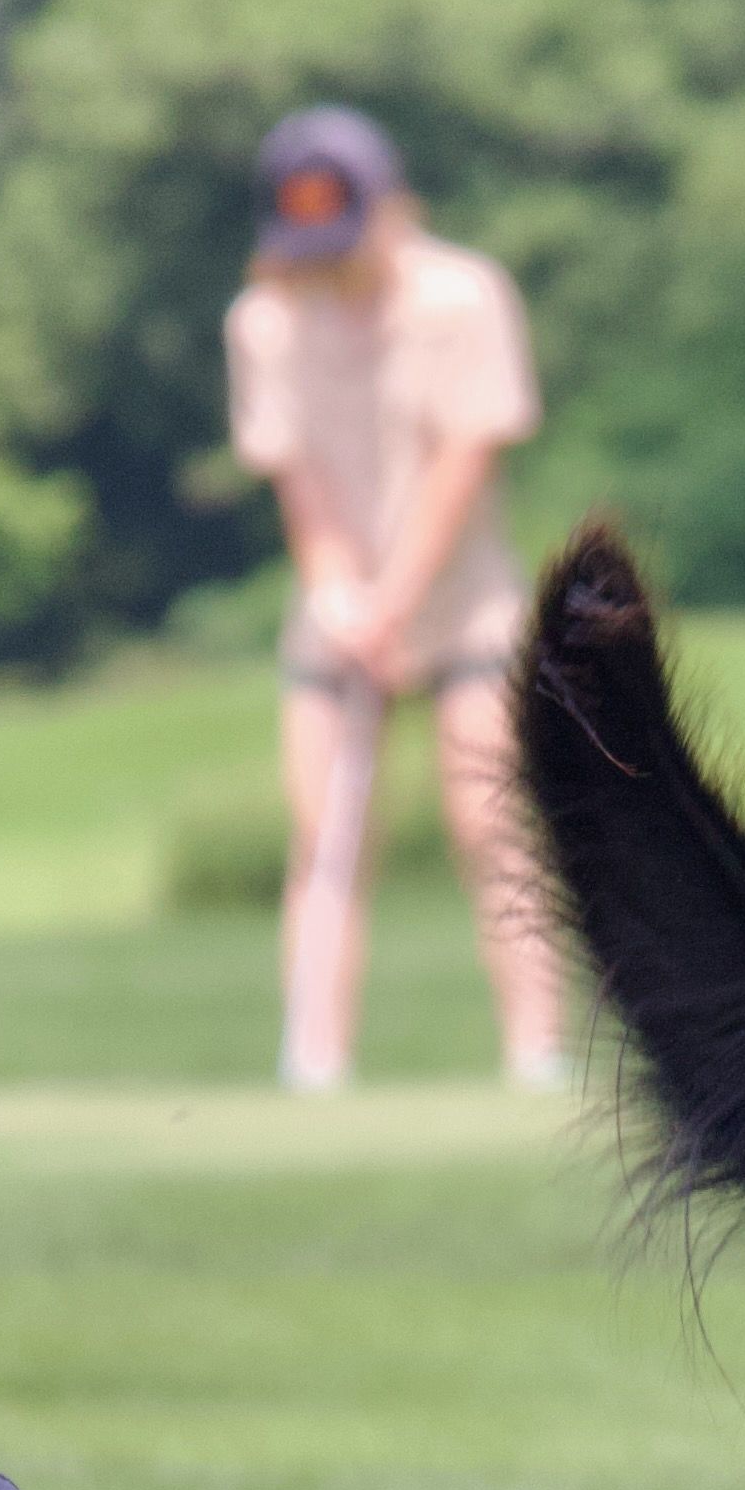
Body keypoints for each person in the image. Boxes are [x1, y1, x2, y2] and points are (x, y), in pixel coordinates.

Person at [222, 104, 571, 1093]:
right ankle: (314, 1062)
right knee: (322, 833)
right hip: (336, 615)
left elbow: (465, 457)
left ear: (391, 205)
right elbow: (303, 482)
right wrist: (343, 597)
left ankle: (537, 1053)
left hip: (466, 608)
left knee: (491, 823)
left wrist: (398, 598)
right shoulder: (265, 321)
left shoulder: (465, 297)